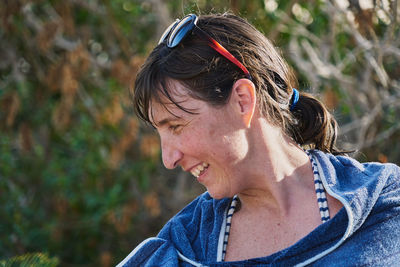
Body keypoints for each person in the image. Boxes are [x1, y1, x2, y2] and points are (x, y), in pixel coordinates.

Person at [118, 13, 400, 266]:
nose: (168, 159)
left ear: (242, 100)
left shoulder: (384, 204)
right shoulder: (180, 251)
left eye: (176, 126)